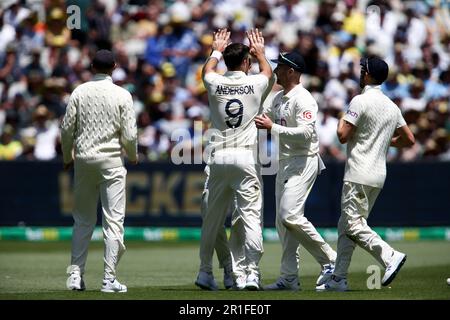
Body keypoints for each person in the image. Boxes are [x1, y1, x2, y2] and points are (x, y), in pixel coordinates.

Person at [317, 56, 415, 291]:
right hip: (378, 175)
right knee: (346, 225)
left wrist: (344, 111)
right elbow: (409, 140)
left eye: (363, 69)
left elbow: (341, 135)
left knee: (352, 225)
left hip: (359, 173)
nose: (360, 73)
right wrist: (381, 141)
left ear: (369, 75)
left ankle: (390, 256)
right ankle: (338, 279)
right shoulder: (392, 106)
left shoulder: (359, 100)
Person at [195, 28, 272, 291]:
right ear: (246, 62)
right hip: (245, 158)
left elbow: (207, 70)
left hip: (218, 158)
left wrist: (215, 50)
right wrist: (261, 53)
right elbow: (268, 74)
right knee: (250, 217)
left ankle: (205, 271)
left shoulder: (214, 81)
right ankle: (251, 273)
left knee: (212, 219)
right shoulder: (256, 83)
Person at [254, 51, 337, 291]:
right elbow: (260, 115)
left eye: (280, 67)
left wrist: (273, 127)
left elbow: (306, 134)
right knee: (283, 222)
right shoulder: (279, 97)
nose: (276, 70)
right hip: (285, 162)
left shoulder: (304, 98)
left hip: (303, 160)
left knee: (290, 215)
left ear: (291, 71)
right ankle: (289, 277)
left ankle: (330, 259)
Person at [61, 50, 138, 293]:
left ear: (91, 65)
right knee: (113, 221)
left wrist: (67, 157)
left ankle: (75, 274)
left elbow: (66, 130)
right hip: (112, 161)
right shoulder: (122, 94)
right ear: (115, 66)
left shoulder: (79, 92)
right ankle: (108, 279)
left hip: (84, 160)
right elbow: (130, 135)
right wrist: (134, 156)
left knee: (83, 220)